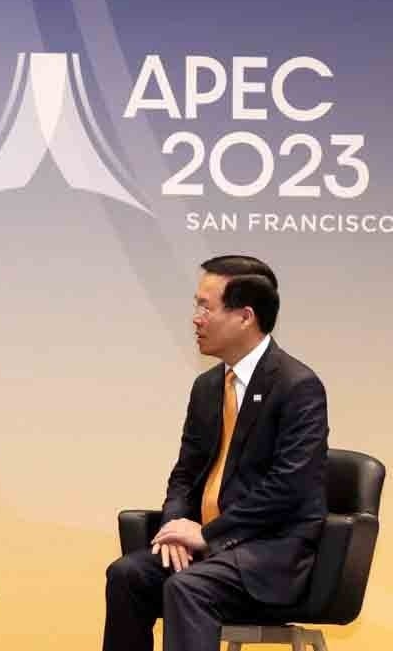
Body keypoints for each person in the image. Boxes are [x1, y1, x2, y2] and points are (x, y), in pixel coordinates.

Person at [103, 255, 328, 651]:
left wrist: (207, 534)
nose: (195, 318)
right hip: (210, 550)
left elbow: (288, 488)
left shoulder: (298, 386)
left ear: (245, 317)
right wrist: (175, 528)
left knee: (188, 587)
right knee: (127, 575)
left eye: (206, 307)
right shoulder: (207, 387)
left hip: (268, 555)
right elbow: (185, 474)